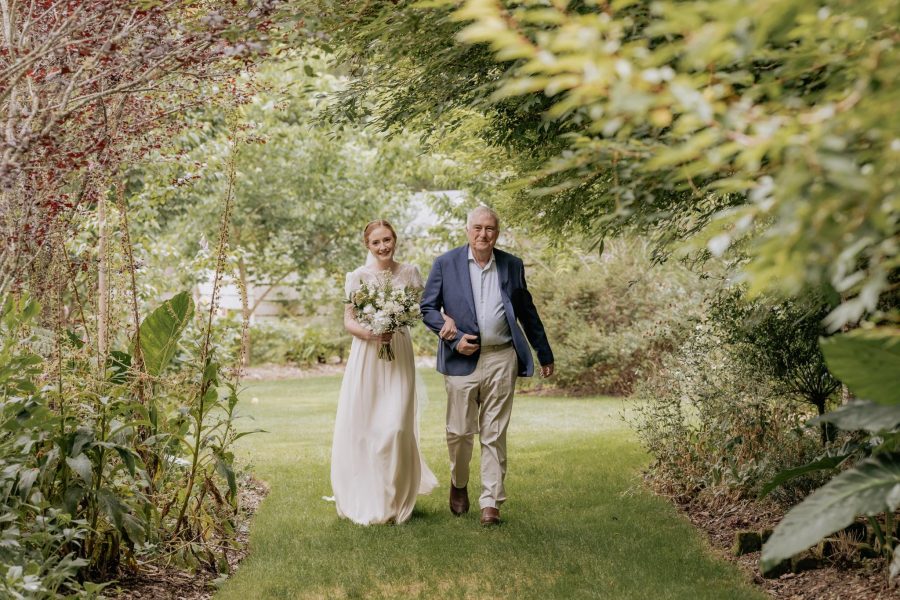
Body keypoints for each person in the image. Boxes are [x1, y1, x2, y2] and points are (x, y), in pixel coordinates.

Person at [421, 206, 554, 526]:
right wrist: (451, 336)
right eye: (478, 228)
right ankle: (459, 483)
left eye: (490, 229)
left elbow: (527, 311)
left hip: (501, 357)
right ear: (467, 230)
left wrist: (544, 352)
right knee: (460, 432)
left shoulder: (511, 265)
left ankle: (491, 501)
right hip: (460, 359)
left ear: (497, 232)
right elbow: (428, 308)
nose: (483, 234)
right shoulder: (445, 263)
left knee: (494, 432)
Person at [330, 220, 438, 525]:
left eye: (387, 240)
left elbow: (420, 309)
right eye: (376, 242)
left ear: (395, 240)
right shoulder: (357, 277)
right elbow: (349, 321)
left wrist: (395, 321)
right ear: (367, 245)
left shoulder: (410, 273)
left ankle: (396, 497)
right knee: (368, 426)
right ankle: (371, 495)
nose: (383, 246)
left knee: (396, 427)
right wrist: (373, 333)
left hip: (399, 352)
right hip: (368, 355)